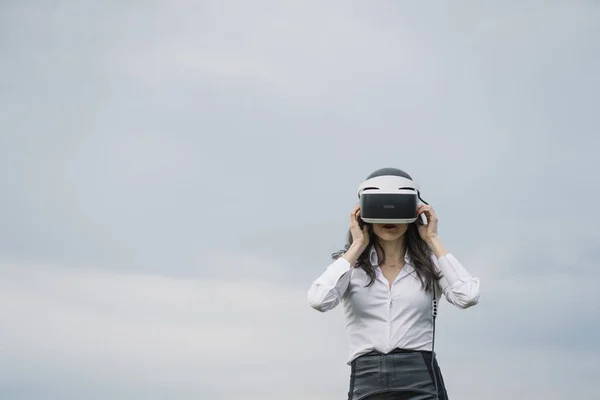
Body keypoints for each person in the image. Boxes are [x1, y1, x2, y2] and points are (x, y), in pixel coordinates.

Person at [307, 168, 480, 400]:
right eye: (380, 208)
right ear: (362, 213)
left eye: (397, 209)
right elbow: (319, 300)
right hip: (366, 380)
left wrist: (433, 239)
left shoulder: (430, 265)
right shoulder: (352, 268)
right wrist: (356, 246)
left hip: (421, 377)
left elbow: (467, 295)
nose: (389, 219)